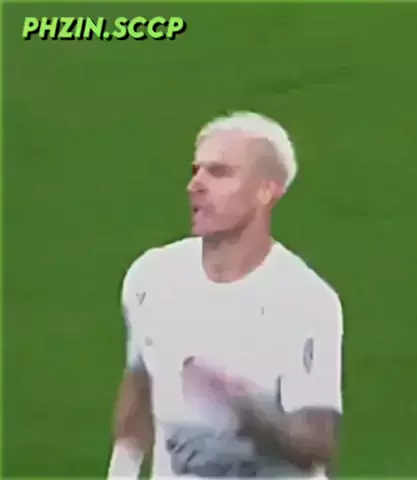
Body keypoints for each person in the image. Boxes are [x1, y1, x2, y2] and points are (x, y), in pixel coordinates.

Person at [106, 111, 344, 479]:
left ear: (267, 190)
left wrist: (245, 409)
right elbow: (139, 389)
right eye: (196, 170)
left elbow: (317, 443)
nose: (195, 185)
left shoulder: (305, 301)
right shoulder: (152, 277)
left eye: (219, 173)